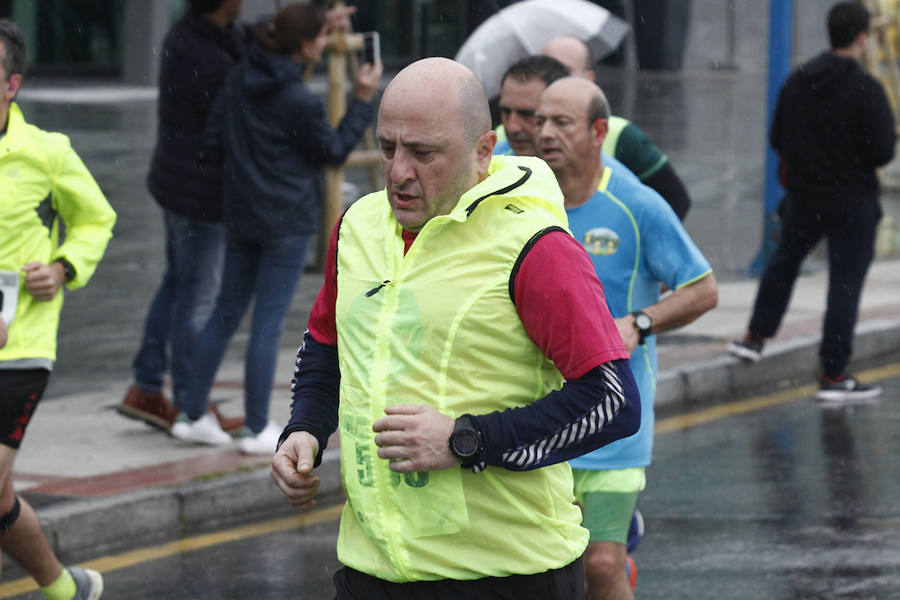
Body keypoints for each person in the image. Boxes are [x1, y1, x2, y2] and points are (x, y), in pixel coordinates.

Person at [271, 57, 642, 598]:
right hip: (373, 569)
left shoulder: (535, 247)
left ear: (483, 151)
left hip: (506, 576)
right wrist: (304, 427)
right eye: (387, 146)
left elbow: (613, 402)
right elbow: (328, 346)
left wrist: (466, 440)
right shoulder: (357, 226)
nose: (398, 171)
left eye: (423, 153)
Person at [171, 2, 383, 454]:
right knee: (267, 324)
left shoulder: (239, 81)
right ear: (306, 47)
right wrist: (363, 100)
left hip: (241, 214)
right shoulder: (297, 101)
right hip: (285, 221)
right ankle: (254, 427)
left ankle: (190, 415)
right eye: (321, 38)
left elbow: (211, 143)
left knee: (225, 312)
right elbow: (334, 149)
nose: (326, 44)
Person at [535, 77, 717, 599]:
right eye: (541, 121)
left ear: (597, 131)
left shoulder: (637, 204)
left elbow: (703, 289)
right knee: (552, 569)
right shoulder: (522, 202)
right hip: (540, 418)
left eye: (561, 123)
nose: (546, 133)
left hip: (617, 418)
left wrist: (639, 323)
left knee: (602, 563)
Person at [727, 2, 895, 402]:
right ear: (862, 37)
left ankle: (754, 337)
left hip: (804, 197)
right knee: (844, 284)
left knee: (783, 265)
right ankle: (834, 374)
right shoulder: (866, 88)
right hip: (853, 201)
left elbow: (777, 138)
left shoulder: (799, 80)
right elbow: (883, 150)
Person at [0, 19, 115, 599]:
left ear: (11, 84)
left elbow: (97, 217)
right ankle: (65, 588)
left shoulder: (45, 153)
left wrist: (63, 268)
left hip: (20, 348)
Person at [118, 0, 248, 433]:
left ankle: (147, 387)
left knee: (178, 285)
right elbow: (240, 103)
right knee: (197, 297)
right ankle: (193, 405)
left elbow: (253, 41)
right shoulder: (207, 55)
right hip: (199, 195)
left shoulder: (189, 35)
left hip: (178, 185)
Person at [541, 35, 693, 220]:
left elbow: (675, 199)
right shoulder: (507, 135)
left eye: (563, 71)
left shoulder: (622, 135)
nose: (546, 133)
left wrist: (627, 237)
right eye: (545, 70)